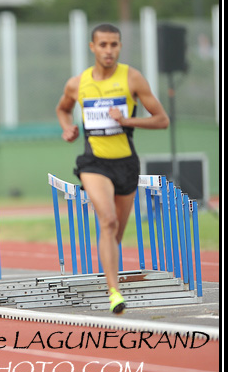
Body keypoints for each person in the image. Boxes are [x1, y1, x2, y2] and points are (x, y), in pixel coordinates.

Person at [55, 23, 170, 315]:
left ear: (119, 46)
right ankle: (114, 292)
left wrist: (127, 121)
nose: (109, 50)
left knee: (115, 233)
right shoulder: (77, 83)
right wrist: (68, 128)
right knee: (107, 221)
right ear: (92, 47)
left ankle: (110, 273)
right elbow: (63, 108)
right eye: (103, 45)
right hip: (93, 162)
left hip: (126, 163)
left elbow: (161, 120)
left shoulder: (132, 78)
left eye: (114, 44)